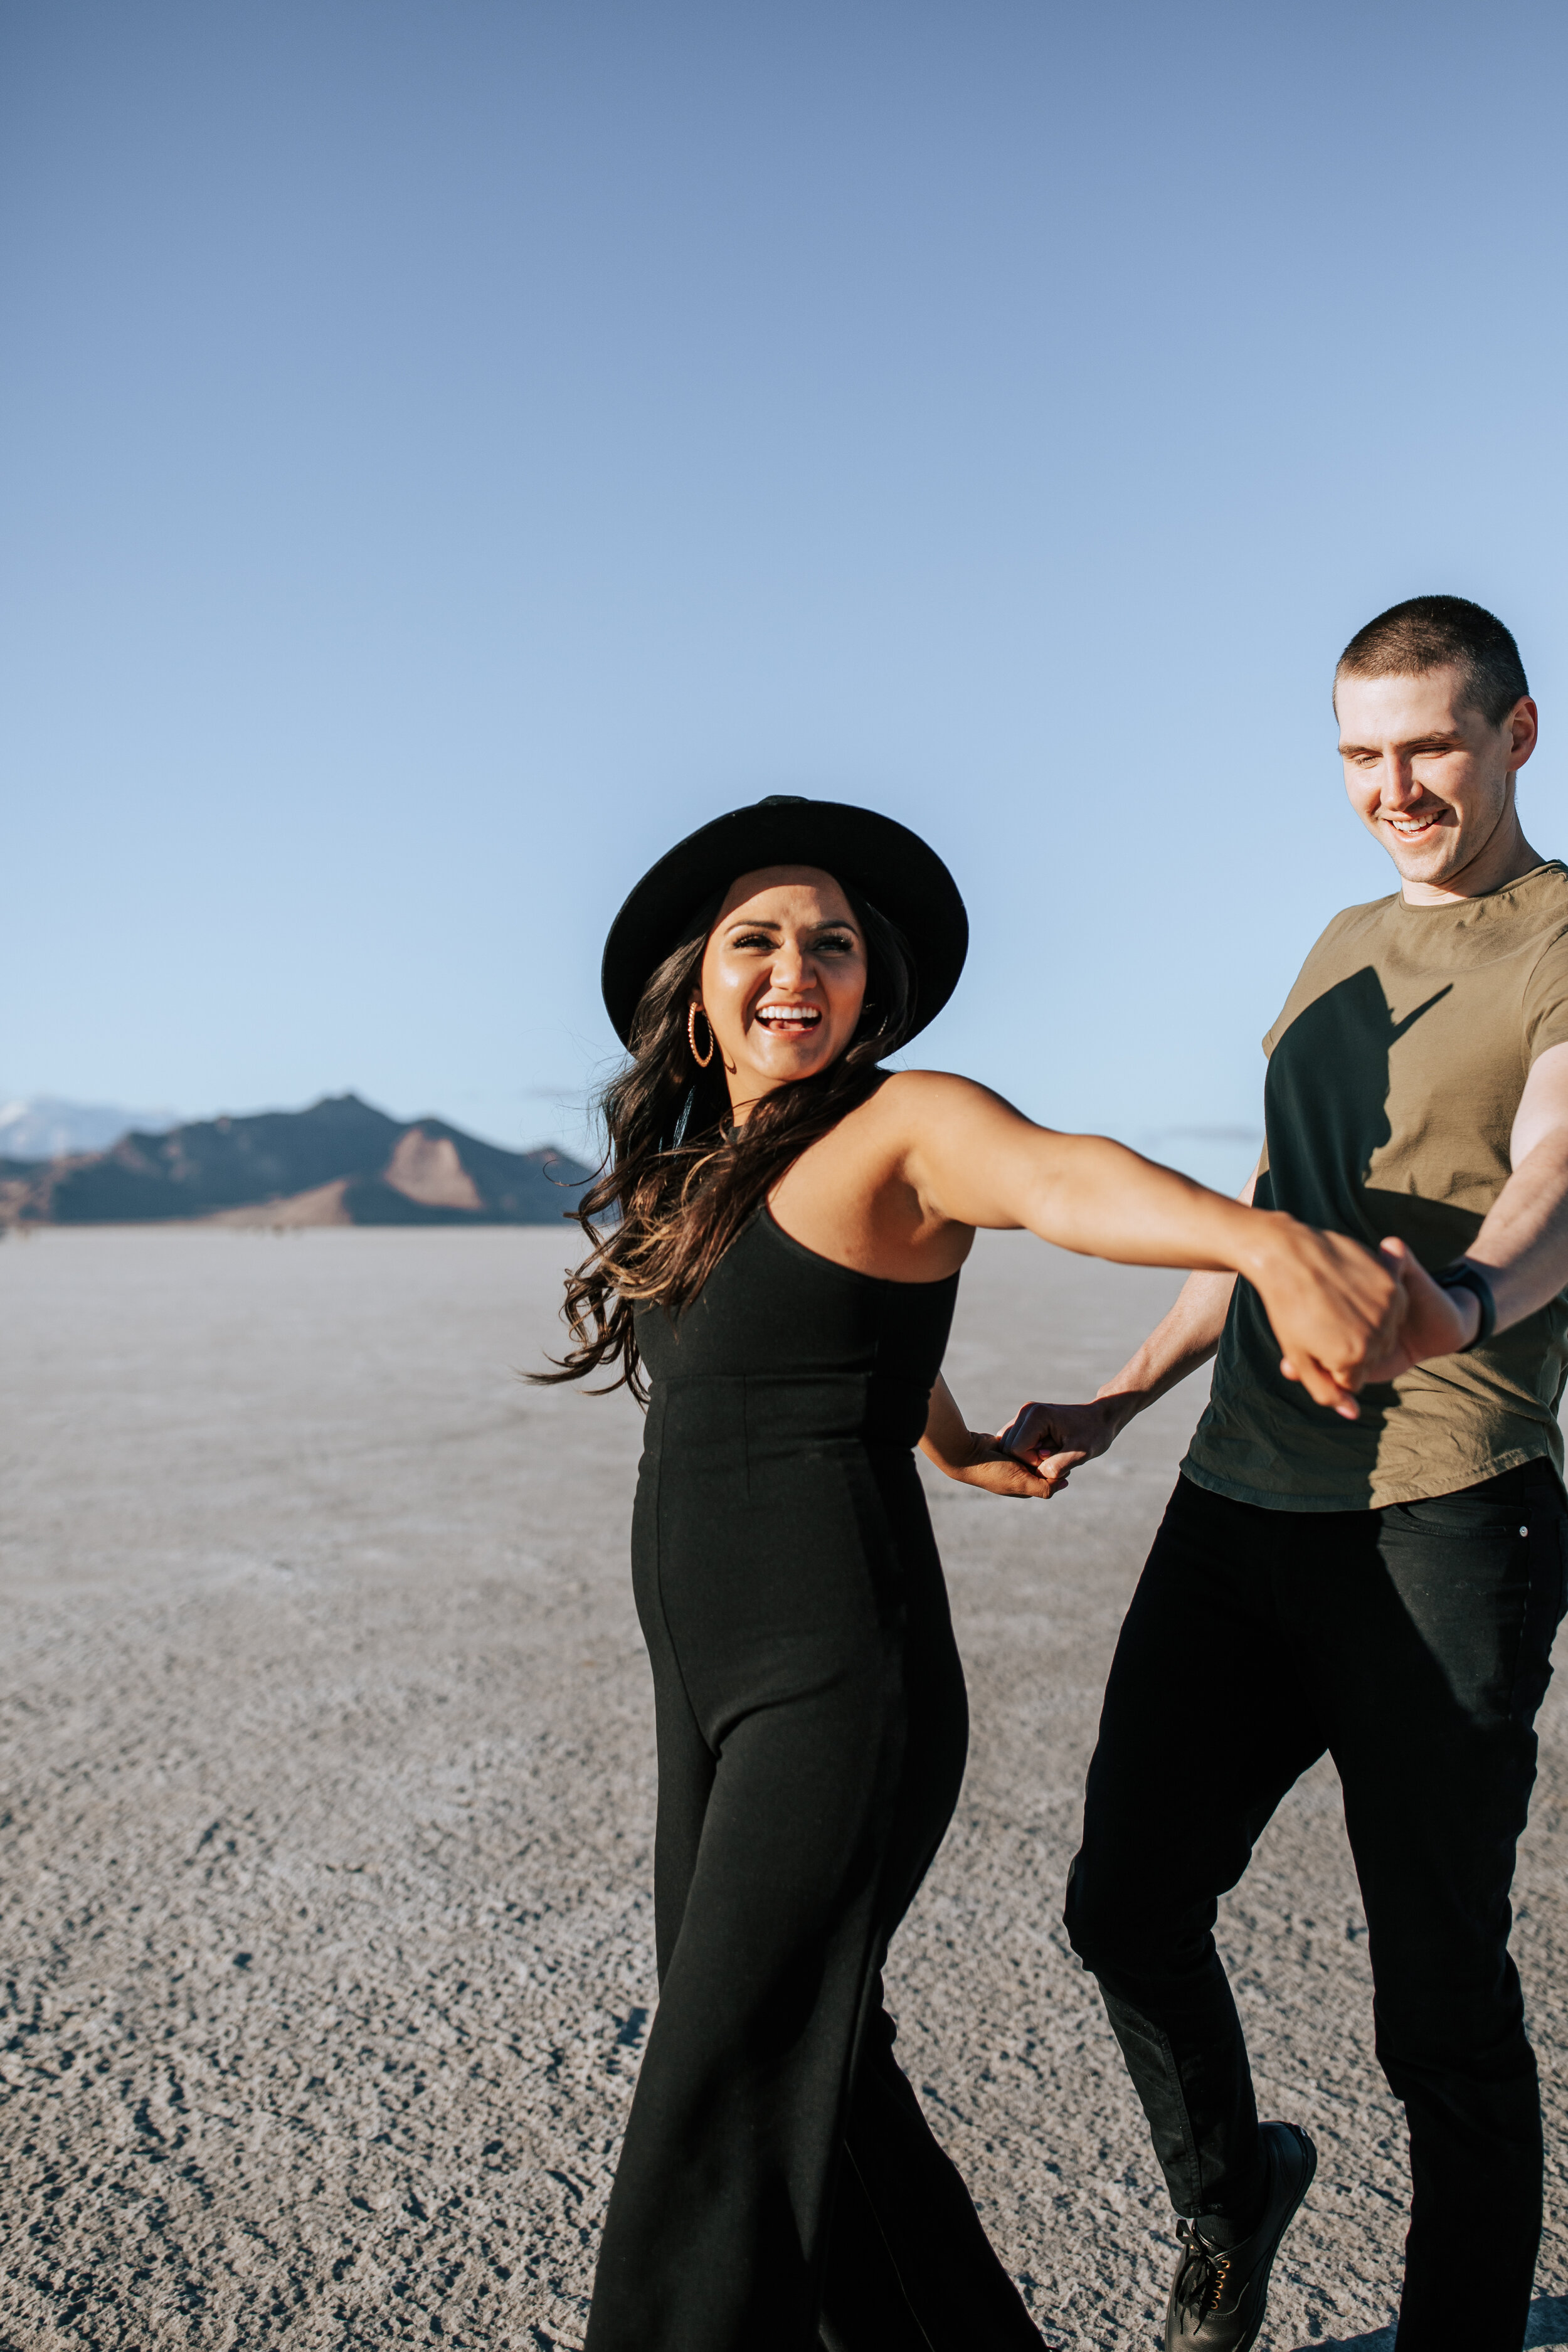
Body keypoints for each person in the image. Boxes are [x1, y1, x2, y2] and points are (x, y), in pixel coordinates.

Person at [542, 792, 1415, 2352]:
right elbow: (832, 1344)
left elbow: (1057, 1178)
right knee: (821, 2066)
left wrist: (1258, 1242)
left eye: (832, 944)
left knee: (725, 2083)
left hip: (836, 1680)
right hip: (706, 1688)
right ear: (695, 994)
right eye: (755, 940)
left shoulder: (907, 1125)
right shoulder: (698, 1181)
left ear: (873, 985)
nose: (794, 968)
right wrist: (944, 1439)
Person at [1004, 596, 1568, 2352]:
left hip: (1442, 1512)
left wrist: (1460, 1298)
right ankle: (1231, 2189)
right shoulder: (1332, 941)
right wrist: (1115, 1398)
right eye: (1361, 754)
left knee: (1437, 2003)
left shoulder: (1559, 933)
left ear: (1514, 735)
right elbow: (1262, 1219)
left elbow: (1560, 1170)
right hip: (1240, 1504)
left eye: (1428, 746)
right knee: (1125, 1902)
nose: (1394, 786)